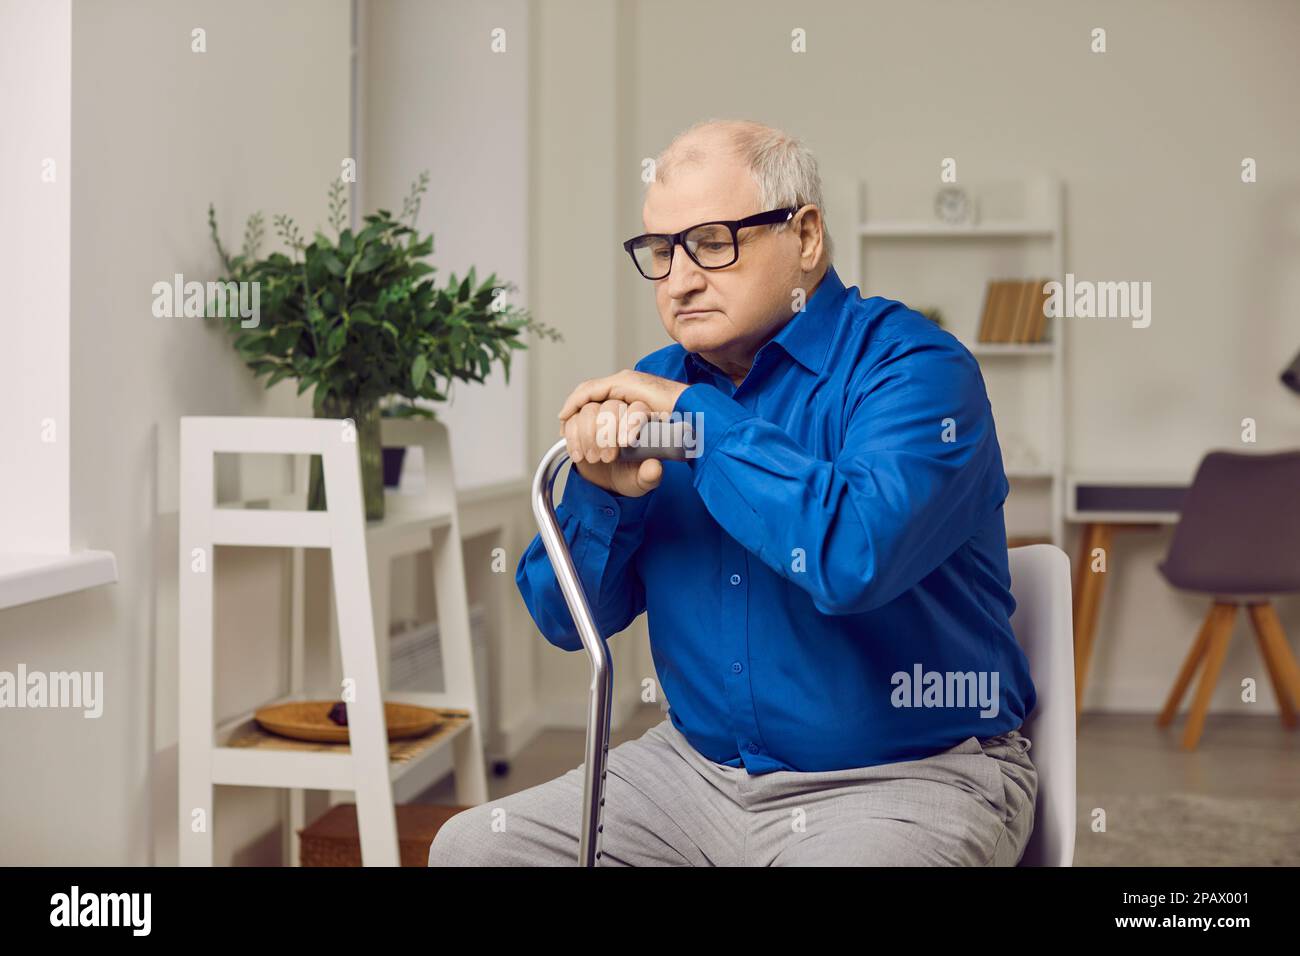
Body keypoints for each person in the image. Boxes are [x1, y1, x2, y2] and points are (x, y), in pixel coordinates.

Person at [429, 118, 1037, 866]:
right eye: (661, 251)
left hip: (908, 773)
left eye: (712, 241)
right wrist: (600, 493)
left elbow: (853, 557)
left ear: (806, 237)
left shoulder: (916, 369)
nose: (680, 278)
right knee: (473, 850)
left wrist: (700, 424)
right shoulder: (659, 386)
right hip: (693, 775)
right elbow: (563, 620)